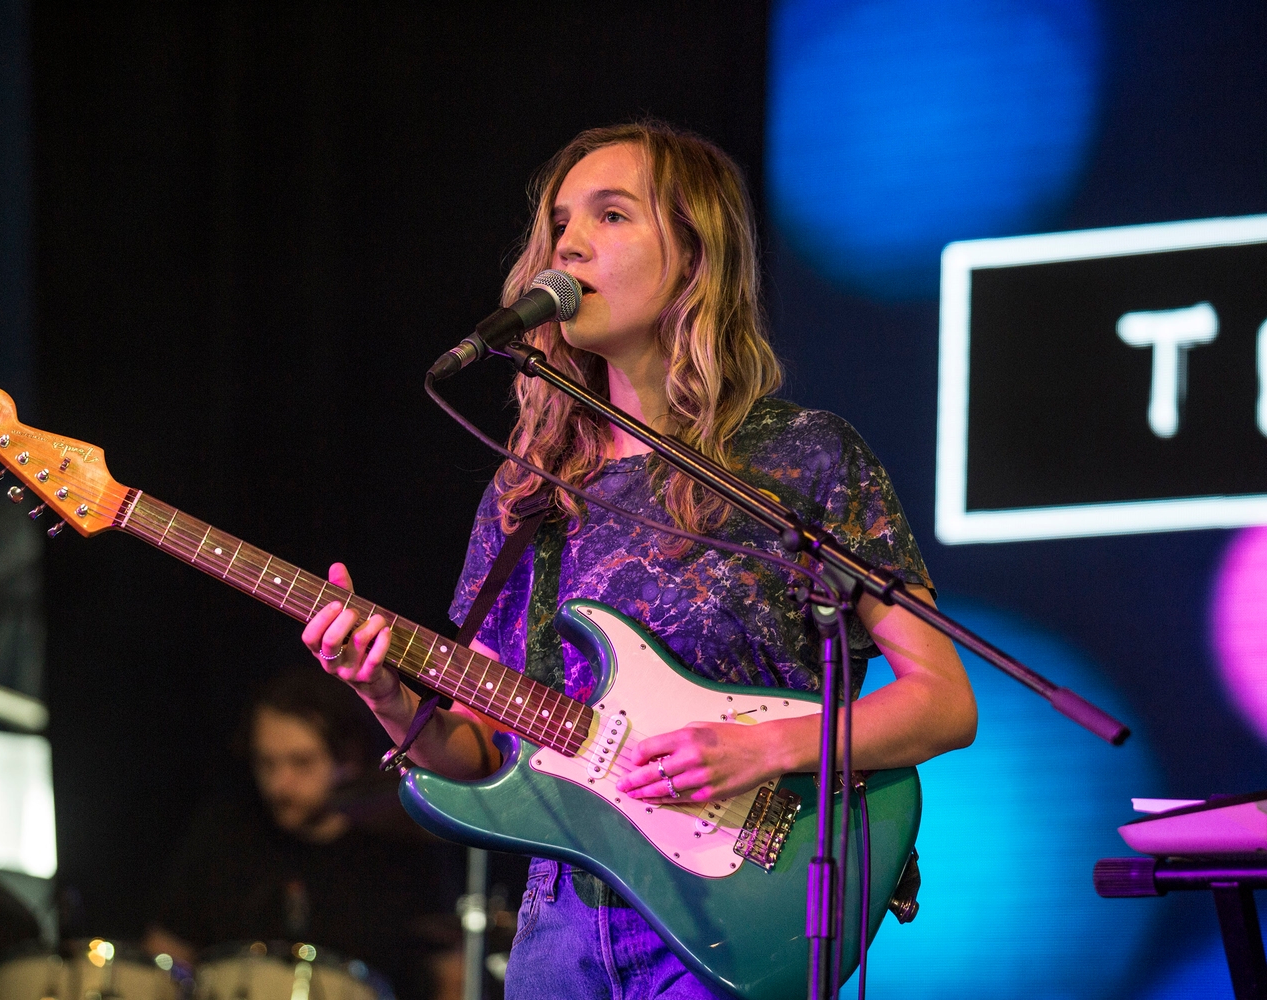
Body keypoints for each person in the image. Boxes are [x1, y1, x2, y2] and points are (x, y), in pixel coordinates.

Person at [301, 121, 978, 999]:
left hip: (742, 916)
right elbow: (474, 752)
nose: (569, 242)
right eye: (559, 222)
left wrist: (765, 749)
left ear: (695, 257)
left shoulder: (802, 458)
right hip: (561, 934)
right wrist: (384, 694)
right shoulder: (530, 494)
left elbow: (944, 700)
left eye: (611, 215)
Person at [145, 668, 452, 997]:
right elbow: (164, 959)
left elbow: (454, 977)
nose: (280, 785)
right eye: (267, 763)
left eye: (301, 762)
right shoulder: (225, 835)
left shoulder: (402, 849)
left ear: (348, 758)